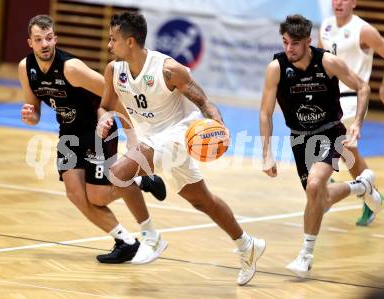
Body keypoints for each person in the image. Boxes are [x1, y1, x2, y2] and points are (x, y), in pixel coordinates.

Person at [96, 12, 265, 286]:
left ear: (130, 41)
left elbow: (203, 101)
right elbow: (104, 105)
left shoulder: (168, 69)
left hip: (180, 132)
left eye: (112, 39)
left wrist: (218, 122)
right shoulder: (114, 70)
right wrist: (103, 117)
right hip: (150, 136)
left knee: (118, 172)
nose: (108, 45)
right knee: (201, 200)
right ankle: (248, 245)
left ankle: (151, 236)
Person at [19, 14, 168, 265]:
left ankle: (137, 180)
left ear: (55, 38)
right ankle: (126, 242)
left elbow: (115, 95)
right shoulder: (27, 68)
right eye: (38, 39)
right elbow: (33, 111)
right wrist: (29, 116)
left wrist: (131, 136)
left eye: (48, 38)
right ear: (30, 43)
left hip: (97, 128)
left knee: (97, 196)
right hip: (68, 131)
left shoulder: (71, 68)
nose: (44, 44)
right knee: (75, 194)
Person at [259, 14, 384, 277]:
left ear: (308, 41)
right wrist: (266, 153)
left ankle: (305, 256)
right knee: (319, 197)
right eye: (285, 42)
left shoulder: (328, 62)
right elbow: (265, 112)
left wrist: (358, 124)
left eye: (295, 43)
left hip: (331, 132)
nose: (289, 49)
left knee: (317, 185)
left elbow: (363, 87)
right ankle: (362, 186)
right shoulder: (277, 67)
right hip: (299, 138)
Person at [319, 0, 384, 226]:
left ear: (353, 2)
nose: (338, 2)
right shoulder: (325, 26)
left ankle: (329, 191)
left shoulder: (364, 30)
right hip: (331, 100)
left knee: (340, 148)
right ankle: (368, 197)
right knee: (347, 156)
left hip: (353, 100)